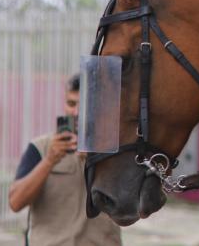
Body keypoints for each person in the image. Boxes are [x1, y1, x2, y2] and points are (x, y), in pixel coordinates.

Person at [9, 73, 122, 245]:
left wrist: (97, 161)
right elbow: (16, 202)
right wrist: (49, 161)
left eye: (83, 105)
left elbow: (128, 207)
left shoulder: (113, 149)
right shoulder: (41, 147)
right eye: (71, 104)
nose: (76, 112)